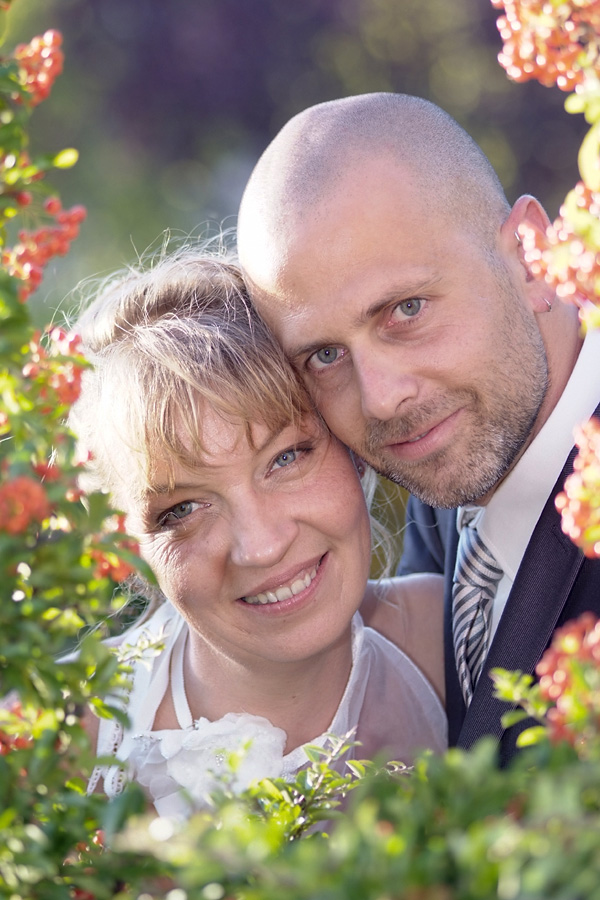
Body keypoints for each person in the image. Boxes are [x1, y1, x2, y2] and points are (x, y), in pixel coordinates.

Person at [236, 91, 600, 765]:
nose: (381, 399)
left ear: (528, 256)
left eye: (406, 310)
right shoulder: (445, 499)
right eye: (324, 355)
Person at [69, 249, 447, 818]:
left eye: (286, 458)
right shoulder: (55, 738)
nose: (262, 546)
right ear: (125, 547)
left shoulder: (452, 639)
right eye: (183, 509)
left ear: (351, 441)